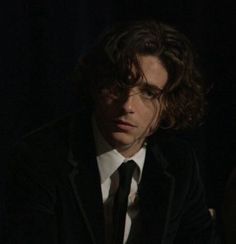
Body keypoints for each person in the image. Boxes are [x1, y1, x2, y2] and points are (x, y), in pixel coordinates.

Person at [6, 20, 219, 244]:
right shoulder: (40, 157)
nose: (128, 105)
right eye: (119, 86)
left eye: (148, 93)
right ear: (97, 85)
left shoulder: (179, 162)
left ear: (169, 104)